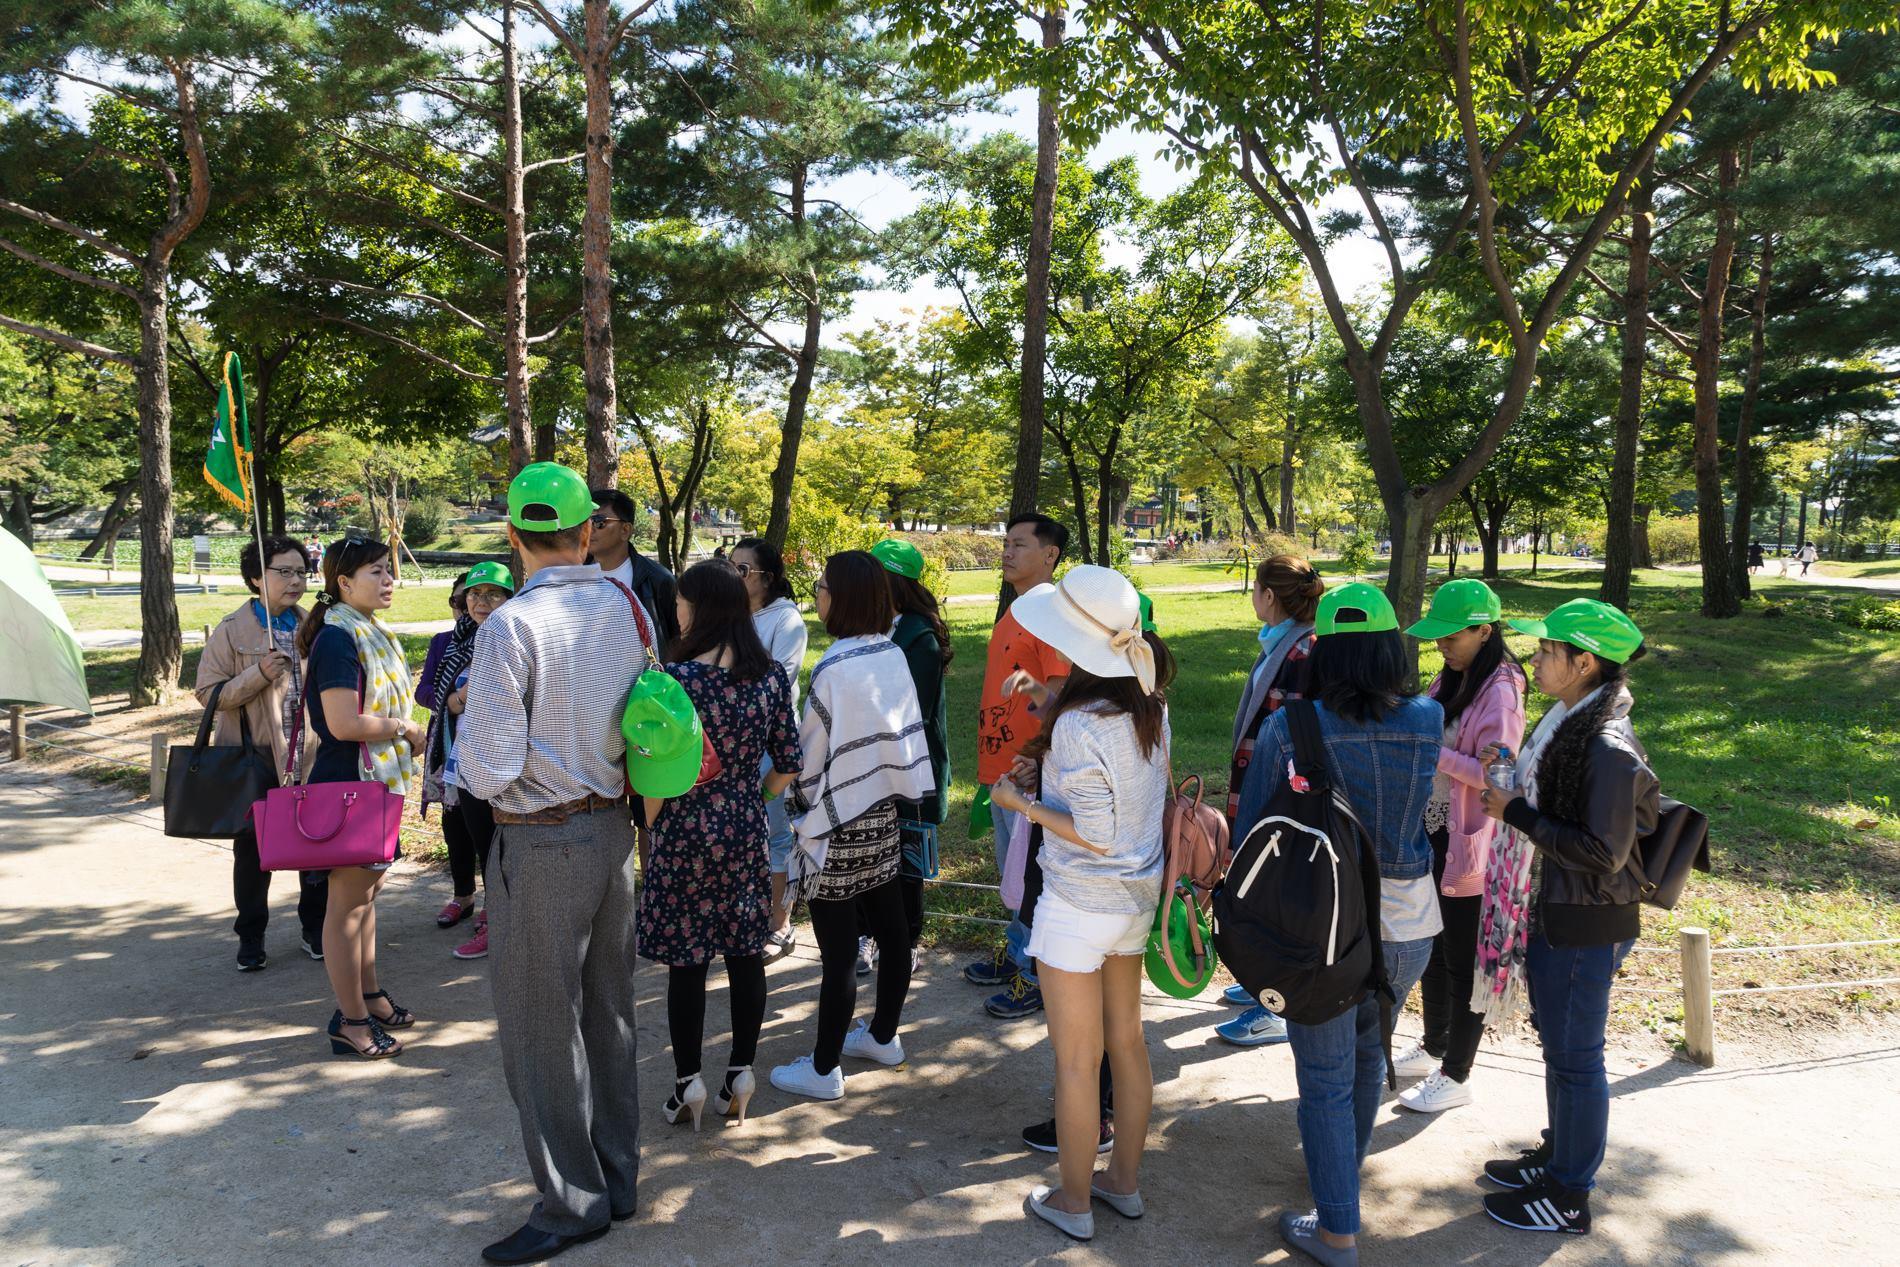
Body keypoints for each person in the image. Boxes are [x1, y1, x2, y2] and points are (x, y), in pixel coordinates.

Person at [454, 463, 655, 1265]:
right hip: (613, 827)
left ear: (513, 535)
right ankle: (617, 1176)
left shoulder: (508, 625)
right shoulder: (627, 602)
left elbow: (488, 768)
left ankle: (573, 1205)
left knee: (542, 1027)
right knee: (609, 1012)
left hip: (539, 839)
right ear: (586, 531)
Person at [1233, 582, 1444, 1267]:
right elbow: (1428, 814)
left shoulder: (1288, 727)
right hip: (1410, 920)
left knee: (1324, 1082)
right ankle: (1337, 1190)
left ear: (1318, 649)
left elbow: (1252, 834)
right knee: (1364, 1059)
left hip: (1319, 929)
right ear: (1391, 647)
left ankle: (1337, 1234)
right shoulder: (1427, 718)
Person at [989, 565, 1171, 1243]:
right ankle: (1121, 1182)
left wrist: (1020, 804)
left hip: (1077, 905)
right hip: (1133, 900)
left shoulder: (1079, 727)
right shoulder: (1149, 706)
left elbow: (1091, 830)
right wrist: (1043, 697)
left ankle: (1072, 1199)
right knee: (1126, 1043)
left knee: (1074, 1059)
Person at [1477, 599, 1658, 1237]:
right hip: (1559, 913)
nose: (1536, 658)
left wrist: (1516, 814)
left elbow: (1603, 853)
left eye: (1548, 651)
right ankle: (1558, 1160)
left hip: (1584, 923)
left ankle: (1569, 1195)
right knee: (1561, 1052)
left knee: (1577, 1058)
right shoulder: (1571, 718)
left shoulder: (1605, 743)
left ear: (1583, 663)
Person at [637, 559, 801, 1131]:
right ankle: (741, 1072)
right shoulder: (771, 676)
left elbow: (652, 777)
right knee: (744, 953)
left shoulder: (671, 682)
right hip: (744, 829)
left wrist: (654, 825)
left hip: (684, 831)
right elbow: (788, 764)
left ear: (698, 608)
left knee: (687, 964)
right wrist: (750, 795)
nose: (675, 611)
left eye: (680, 602)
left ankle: (688, 1084)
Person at [770, 551, 933, 1103]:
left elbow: (808, 758)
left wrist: (796, 803)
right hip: (882, 812)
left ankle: (823, 1069)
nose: (815, 594)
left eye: (821, 586)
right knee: (890, 931)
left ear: (842, 598)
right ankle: (884, 1037)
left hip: (836, 823)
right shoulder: (890, 652)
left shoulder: (835, 666)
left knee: (838, 953)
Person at [1393, 578, 1526, 1113]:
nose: (1442, 645)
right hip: (1433, 825)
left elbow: (1503, 777)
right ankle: (1434, 1044)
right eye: (1438, 637)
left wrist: (1431, 752)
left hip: (1469, 840)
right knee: (1431, 944)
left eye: (1453, 636)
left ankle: (1458, 1072)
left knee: (1463, 957)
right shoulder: (1454, 677)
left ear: (1484, 631)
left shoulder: (1501, 690)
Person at [295, 535, 425, 1060]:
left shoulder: (367, 629)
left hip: (374, 785)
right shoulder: (336, 639)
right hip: (350, 786)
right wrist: (405, 728)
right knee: (346, 908)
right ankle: (349, 1020)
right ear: (343, 582)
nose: (388, 579)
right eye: (376, 571)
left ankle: (368, 996)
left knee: (364, 900)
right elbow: (343, 724)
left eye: (388, 570)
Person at [196, 533, 326, 971]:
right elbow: (207, 694)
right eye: (283, 571)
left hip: (309, 756)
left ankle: (315, 928)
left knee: (316, 847)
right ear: (256, 577)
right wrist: (256, 674)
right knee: (252, 854)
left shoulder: (314, 624)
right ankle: (251, 936)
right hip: (255, 759)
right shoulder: (232, 631)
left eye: (301, 572)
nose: (295, 581)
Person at [1213, 554, 1325, 1047]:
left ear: (1270, 596)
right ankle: (1264, 986)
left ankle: (1273, 1009)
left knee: (1272, 895)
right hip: (1261, 788)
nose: (1252, 595)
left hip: (1280, 799)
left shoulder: (1302, 651)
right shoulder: (1282, 643)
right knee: (1260, 892)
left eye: (1256, 587)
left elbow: (1298, 737)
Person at [967, 513, 1071, 1019]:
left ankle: (1035, 977)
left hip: (1028, 774)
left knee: (1033, 879)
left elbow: (1059, 694)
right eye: (1005, 543)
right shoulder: (1019, 608)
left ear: (1050, 555)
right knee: (1015, 874)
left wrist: (1035, 756)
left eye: (1020, 544)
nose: (1007, 552)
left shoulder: (1049, 610)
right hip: (1000, 769)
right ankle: (1017, 952)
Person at [417, 561, 514, 959]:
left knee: (495, 841)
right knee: (461, 829)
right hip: (453, 753)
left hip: (499, 758)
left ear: (511, 598)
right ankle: (467, 899)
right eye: (474, 594)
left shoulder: (511, 637)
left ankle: (498, 917)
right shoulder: (451, 640)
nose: (482, 602)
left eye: (494, 594)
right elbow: (428, 694)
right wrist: (458, 700)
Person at [868, 539, 952, 960]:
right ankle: (872, 934)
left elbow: (909, 708)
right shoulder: (877, 625)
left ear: (893, 580)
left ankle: (907, 941)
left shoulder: (921, 636)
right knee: (873, 850)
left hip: (911, 767)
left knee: (907, 858)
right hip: (874, 764)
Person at [732, 535, 809, 963]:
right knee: (743, 833)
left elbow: (776, 681)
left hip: (769, 744)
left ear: (769, 577)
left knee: (775, 833)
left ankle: (780, 925)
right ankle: (750, 915)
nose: (735, 576)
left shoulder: (787, 621)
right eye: (732, 567)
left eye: (743, 570)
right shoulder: (733, 616)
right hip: (732, 742)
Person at [589, 486, 680, 652]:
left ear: (625, 530)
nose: (589, 529)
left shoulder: (658, 579)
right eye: (584, 522)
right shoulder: (571, 576)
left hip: (644, 676)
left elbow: (674, 638)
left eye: (599, 522)